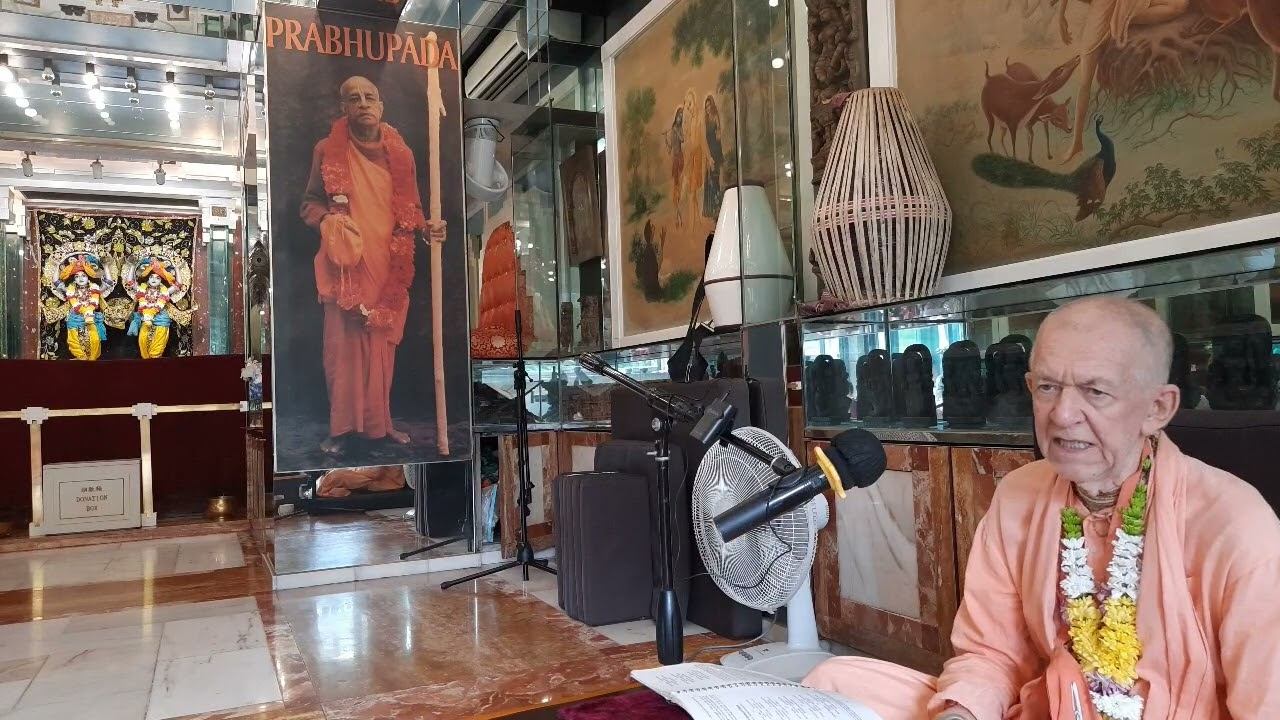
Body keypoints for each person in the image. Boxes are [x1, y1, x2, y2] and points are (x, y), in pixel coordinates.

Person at [804, 297, 1280, 719]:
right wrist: (961, 714)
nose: (1062, 415)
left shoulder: (1236, 524)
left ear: (1158, 408)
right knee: (834, 685)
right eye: (1047, 387)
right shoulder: (1018, 494)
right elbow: (991, 655)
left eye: (1095, 391)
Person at [301, 76, 427, 456]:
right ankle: (341, 429)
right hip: (345, 264)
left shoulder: (402, 155)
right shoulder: (326, 150)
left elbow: (413, 211)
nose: (363, 103)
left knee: (381, 346)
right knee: (341, 347)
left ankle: (379, 424)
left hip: (388, 264)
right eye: (353, 98)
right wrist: (328, 221)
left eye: (369, 97)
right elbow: (309, 204)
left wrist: (428, 228)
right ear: (344, 108)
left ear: (381, 105)